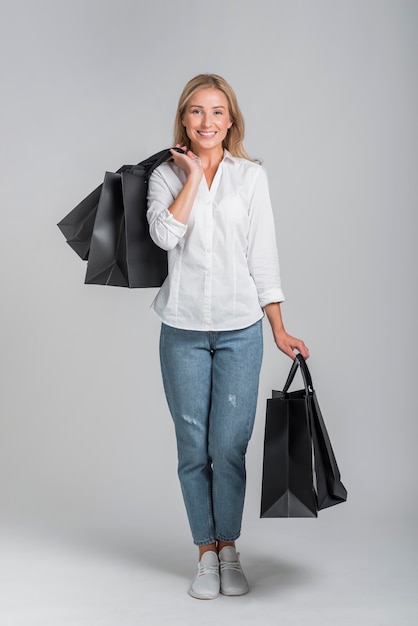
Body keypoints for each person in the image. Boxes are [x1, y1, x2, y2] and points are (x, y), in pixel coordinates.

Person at [146, 74, 309, 600]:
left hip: (241, 330)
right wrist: (191, 175)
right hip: (183, 329)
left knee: (229, 445)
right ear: (184, 120)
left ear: (231, 120)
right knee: (193, 447)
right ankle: (205, 554)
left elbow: (263, 255)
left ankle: (230, 546)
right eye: (196, 112)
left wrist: (278, 327)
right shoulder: (164, 176)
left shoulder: (251, 178)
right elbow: (164, 235)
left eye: (217, 112)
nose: (207, 122)